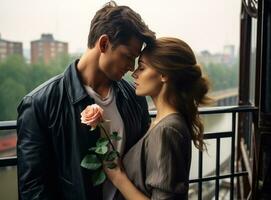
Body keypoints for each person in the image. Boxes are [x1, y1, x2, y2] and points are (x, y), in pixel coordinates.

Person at [16, 1, 155, 200]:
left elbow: (143, 164)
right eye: (127, 56)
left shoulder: (134, 97)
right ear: (104, 43)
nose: (131, 67)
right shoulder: (39, 104)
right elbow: (33, 189)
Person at [104, 37, 210, 200]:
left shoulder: (167, 130)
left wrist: (118, 177)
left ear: (164, 75)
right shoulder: (162, 123)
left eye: (142, 67)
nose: (134, 74)